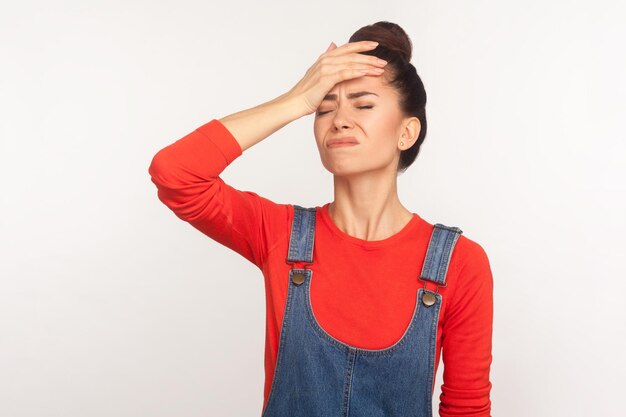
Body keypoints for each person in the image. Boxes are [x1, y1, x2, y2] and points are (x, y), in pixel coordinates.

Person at [149, 21, 493, 417]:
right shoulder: (279, 235)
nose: (339, 120)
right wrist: (296, 99)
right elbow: (174, 173)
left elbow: (466, 408)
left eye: (363, 105)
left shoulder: (459, 264)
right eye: (325, 107)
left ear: (407, 132)